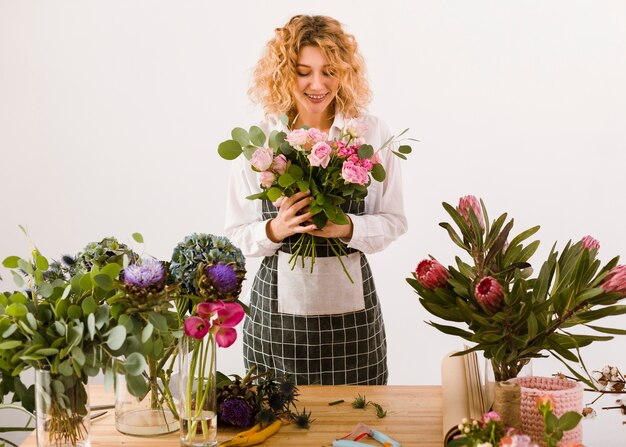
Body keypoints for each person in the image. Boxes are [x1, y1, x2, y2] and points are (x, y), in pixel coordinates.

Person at [224, 15, 407, 385]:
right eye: (303, 72)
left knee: (357, 425)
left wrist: (348, 227)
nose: (317, 85)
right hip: (277, 326)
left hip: (352, 326)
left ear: (345, 72)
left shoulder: (370, 132)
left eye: (329, 71)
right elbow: (236, 231)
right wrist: (275, 229)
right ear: (281, 73)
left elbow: (394, 220)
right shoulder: (261, 139)